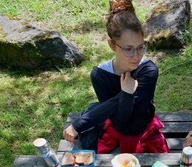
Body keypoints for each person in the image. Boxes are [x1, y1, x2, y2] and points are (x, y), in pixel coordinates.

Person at [63, 0, 169, 154]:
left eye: (140, 47)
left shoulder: (148, 71)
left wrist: (79, 124)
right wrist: (127, 94)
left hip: (142, 126)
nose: (136, 56)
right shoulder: (100, 75)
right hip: (117, 128)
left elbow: (136, 121)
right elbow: (119, 122)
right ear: (112, 45)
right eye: (128, 49)